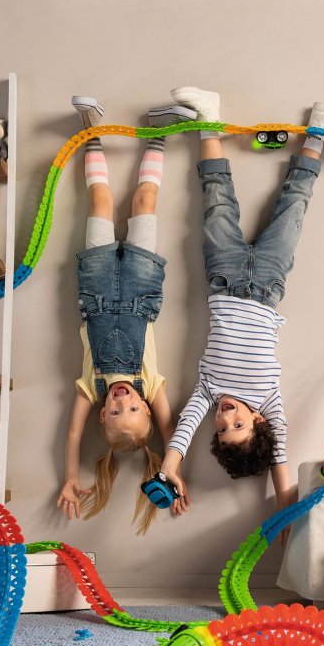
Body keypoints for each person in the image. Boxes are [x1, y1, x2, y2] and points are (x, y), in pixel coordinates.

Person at [158, 86, 324, 529]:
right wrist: (284, 511)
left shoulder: (209, 390)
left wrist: (170, 467)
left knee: (216, 198)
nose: (225, 418)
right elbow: (280, 457)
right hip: (269, 284)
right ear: (257, 420)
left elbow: (184, 429)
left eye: (221, 428)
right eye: (237, 425)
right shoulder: (268, 399)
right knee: (295, 206)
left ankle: (209, 117)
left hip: (224, 276)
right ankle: (319, 130)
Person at [57, 95, 196, 533]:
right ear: (146, 407)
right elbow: (174, 429)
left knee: (100, 200)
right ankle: (159, 133)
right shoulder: (151, 385)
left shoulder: (90, 388)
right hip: (141, 288)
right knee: (145, 198)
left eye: (116, 411)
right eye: (133, 408)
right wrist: (173, 472)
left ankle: (90, 130)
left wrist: (70, 477)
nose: (121, 401)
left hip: (95, 288)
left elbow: (73, 435)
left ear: (102, 415)